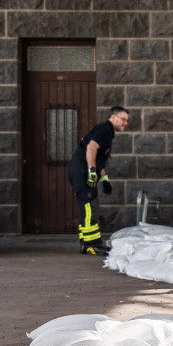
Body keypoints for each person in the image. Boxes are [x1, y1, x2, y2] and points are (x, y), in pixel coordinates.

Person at [67, 106, 128, 255]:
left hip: (80, 171)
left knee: (87, 206)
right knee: (90, 207)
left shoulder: (107, 131)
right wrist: (92, 171)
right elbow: (91, 149)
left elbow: (99, 158)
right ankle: (92, 244)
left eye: (127, 120)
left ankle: (85, 242)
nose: (125, 123)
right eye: (123, 119)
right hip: (81, 172)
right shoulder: (105, 130)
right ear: (113, 118)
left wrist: (105, 178)